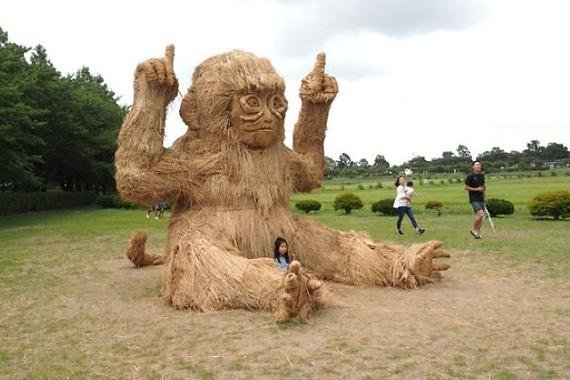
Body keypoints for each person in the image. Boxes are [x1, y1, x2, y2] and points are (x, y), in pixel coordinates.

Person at [464, 160, 486, 239]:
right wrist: (476, 189)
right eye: (476, 165)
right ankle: (473, 229)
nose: (478, 166)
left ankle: (478, 233)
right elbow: (465, 187)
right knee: (480, 214)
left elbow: (483, 188)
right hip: (474, 198)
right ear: (473, 167)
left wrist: (485, 197)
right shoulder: (470, 176)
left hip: (481, 198)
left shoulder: (482, 176)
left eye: (479, 165)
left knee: (481, 217)